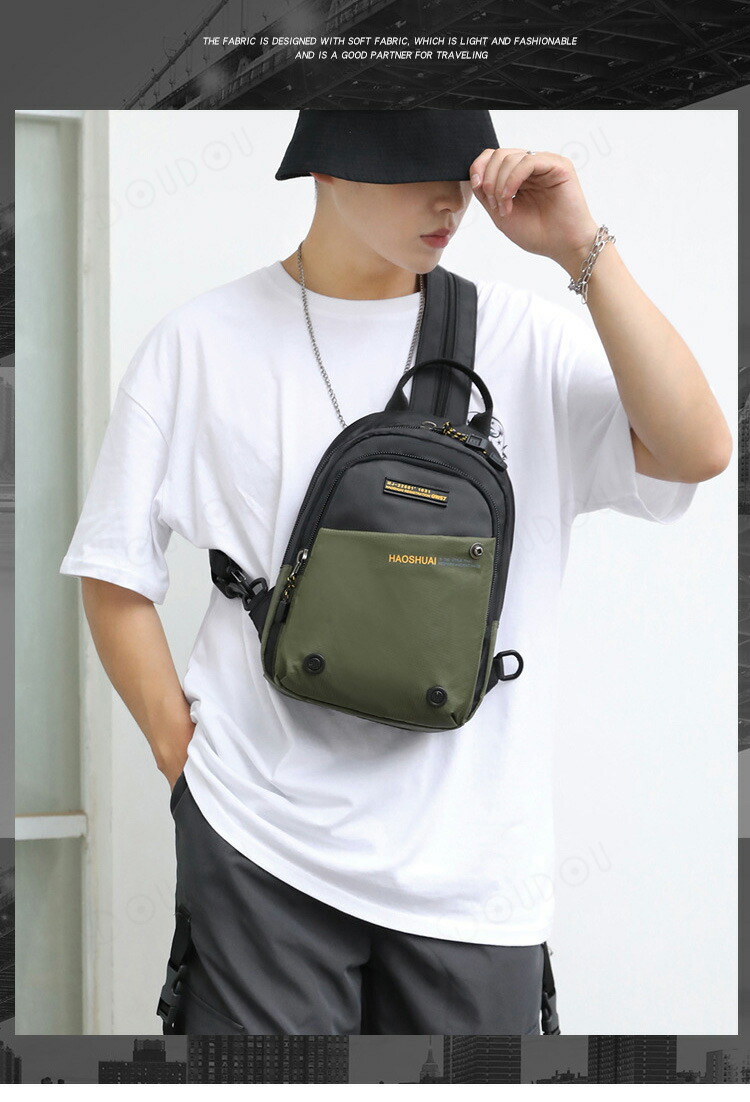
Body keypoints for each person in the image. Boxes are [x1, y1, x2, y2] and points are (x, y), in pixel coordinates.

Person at [59, 109, 731, 1036]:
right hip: (261, 846)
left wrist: (583, 249)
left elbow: (698, 450)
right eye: (414, 169)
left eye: (462, 171)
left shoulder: (524, 339)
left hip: (474, 875)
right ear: (330, 167)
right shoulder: (200, 342)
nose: (449, 198)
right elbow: (113, 573)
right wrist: (187, 768)